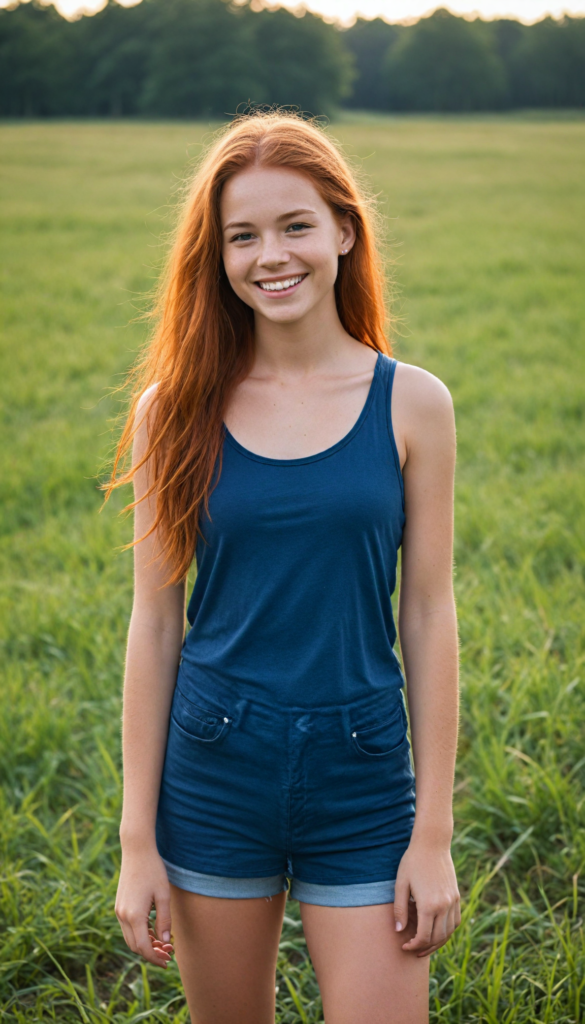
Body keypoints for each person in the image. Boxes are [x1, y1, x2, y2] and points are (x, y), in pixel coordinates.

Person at [106, 109, 461, 1024]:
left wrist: (432, 834)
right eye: (242, 235)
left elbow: (426, 615)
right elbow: (155, 623)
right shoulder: (173, 408)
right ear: (217, 256)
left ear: (343, 230)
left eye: (295, 225)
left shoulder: (412, 404)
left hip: (362, 769)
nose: (272, 255)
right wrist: (135, 840)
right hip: (215, 765)